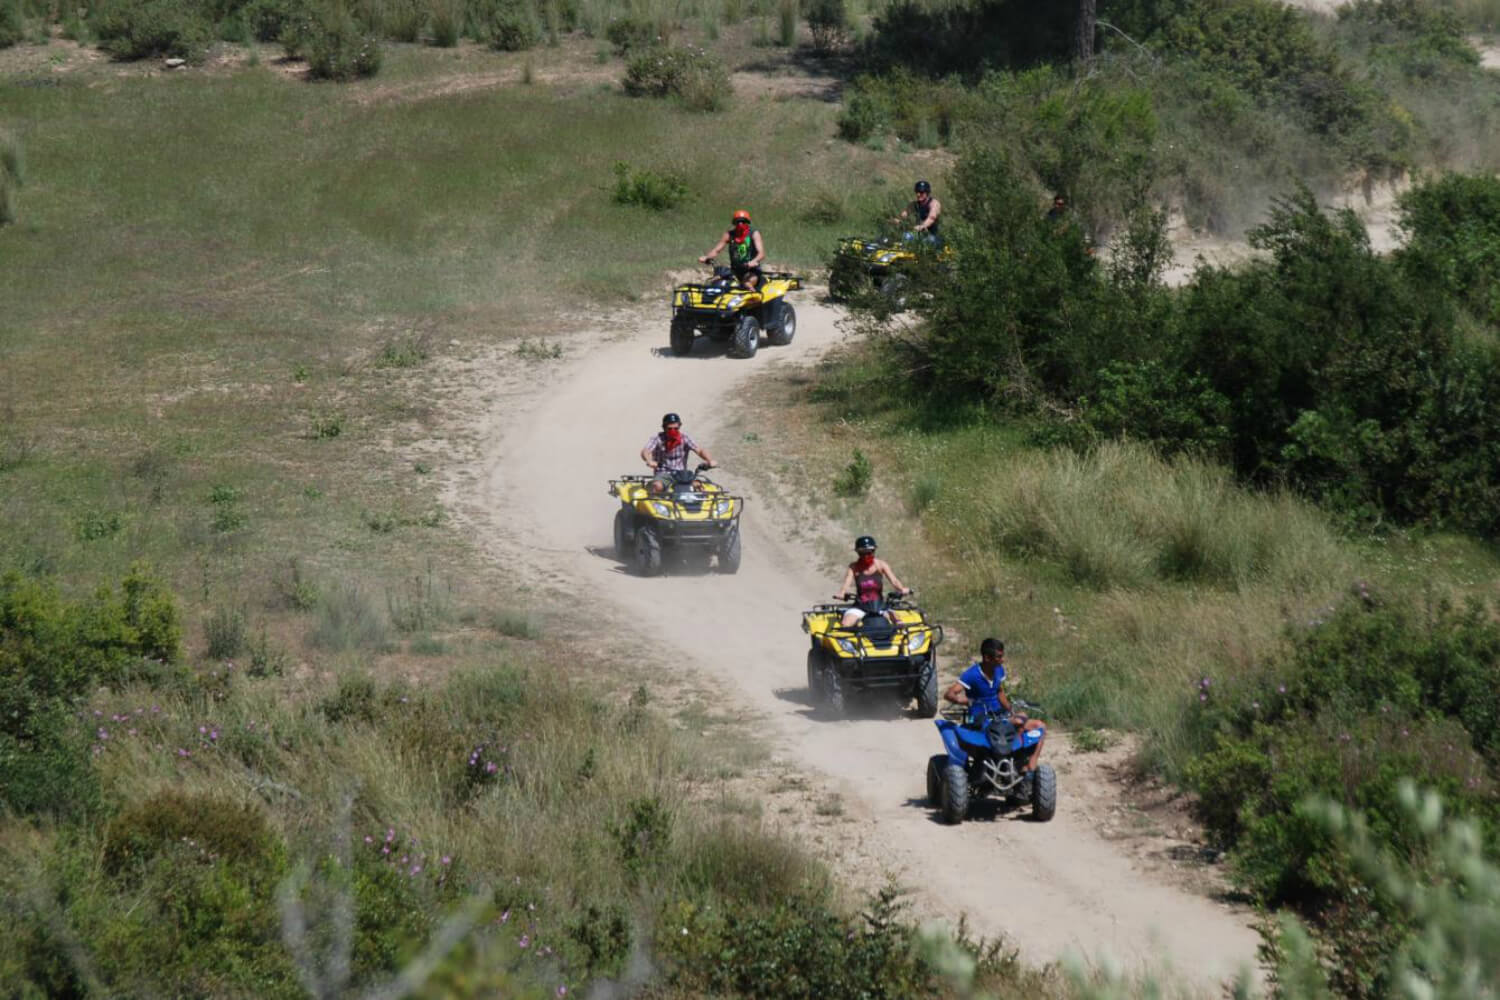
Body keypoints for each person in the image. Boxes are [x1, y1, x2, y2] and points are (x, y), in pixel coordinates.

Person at [943, 638, 1046, 771]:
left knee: (1038, 725)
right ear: (987, 658)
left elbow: (999, 691)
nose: (1002, 660)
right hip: (980, 718)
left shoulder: (999, 670)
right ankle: (999, 761)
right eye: (999, 657)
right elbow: (949, 694)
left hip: (999, 715)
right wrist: (966, 701)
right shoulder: (971, 675)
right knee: (1012, 724)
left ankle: (1026, 763)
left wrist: (1009, 708)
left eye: (1002, 656)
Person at [835, 535, 910, 628]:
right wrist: (842, 593)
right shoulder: (854, 567)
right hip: (860, 606)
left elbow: (894, 580)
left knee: (898, 621)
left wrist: (901, 589)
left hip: (879, 606)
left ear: (874, 551)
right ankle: (850, 642)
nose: (866, 555)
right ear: (858, 552)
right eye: (863, 552)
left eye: (869, 552)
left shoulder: (881, 565)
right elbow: (847, 582)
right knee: (845, 624)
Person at [640, 412, 715, 493]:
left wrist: (709, 460)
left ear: (679, 426)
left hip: (682, 474)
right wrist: (649, 461)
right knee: (658, 486)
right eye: (669, 429)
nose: (673, 431)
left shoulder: (685, 438)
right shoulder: (657, 438)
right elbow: (646, 451)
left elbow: (700, 450)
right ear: (664, 428)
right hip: (663, 473)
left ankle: (701, 505)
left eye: (676, 428)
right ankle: (656, 503)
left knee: (698, 486)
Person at [699, 209, 766, 292]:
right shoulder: (729, 235)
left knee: (747, 284)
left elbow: (761, 253)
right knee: (715, 281)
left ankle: (755, 301)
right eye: (738, 222)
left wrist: (753, 261)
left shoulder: (754, 234)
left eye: (743, 221)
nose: (740, 224)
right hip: (735, 270)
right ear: (734, 223)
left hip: (752, 271)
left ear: (747, 222)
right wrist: (706, 257)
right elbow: (717, 250)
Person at [894, 180, 942, 247]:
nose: (918, 194)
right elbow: (905, 213)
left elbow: (931, 218)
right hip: (919, 235)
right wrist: (898, 219)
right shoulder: (914, 204)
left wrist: (922, 226)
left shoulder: (934, 203)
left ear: (927, 193)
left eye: (921, 192)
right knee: (906, 236)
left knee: (929, 240)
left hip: (933, 235)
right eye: (917, 192)